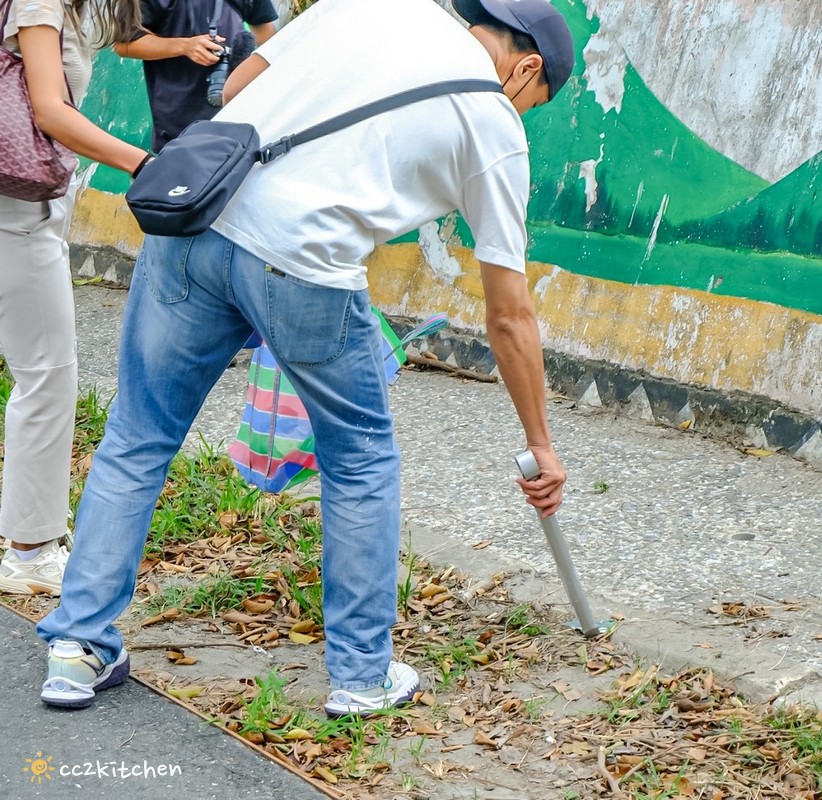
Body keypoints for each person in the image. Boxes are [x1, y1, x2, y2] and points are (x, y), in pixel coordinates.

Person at [37, 0, 573, 714]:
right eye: (533, 101)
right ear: (527, 65)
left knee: (138, 434)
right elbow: (509, 314)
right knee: (359, 460)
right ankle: (361, 676)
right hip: (303, 265)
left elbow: (233, 91)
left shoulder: (373, 5)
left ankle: (76, 649)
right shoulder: (493, 122)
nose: (524, 112)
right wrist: (540, 442)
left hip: (193, 217)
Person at [0, 0, 152, 596]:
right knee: (47, 373)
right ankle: (30, 553)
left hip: (33, 204)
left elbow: (133, 39)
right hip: (18, 213)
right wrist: (143, 162)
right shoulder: (39, 2)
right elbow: (49, 108)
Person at [114, 0, 277, 152]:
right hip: (180, 125)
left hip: (240, 117)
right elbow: (124, 44)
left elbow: (266, 35)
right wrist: (185, 46)